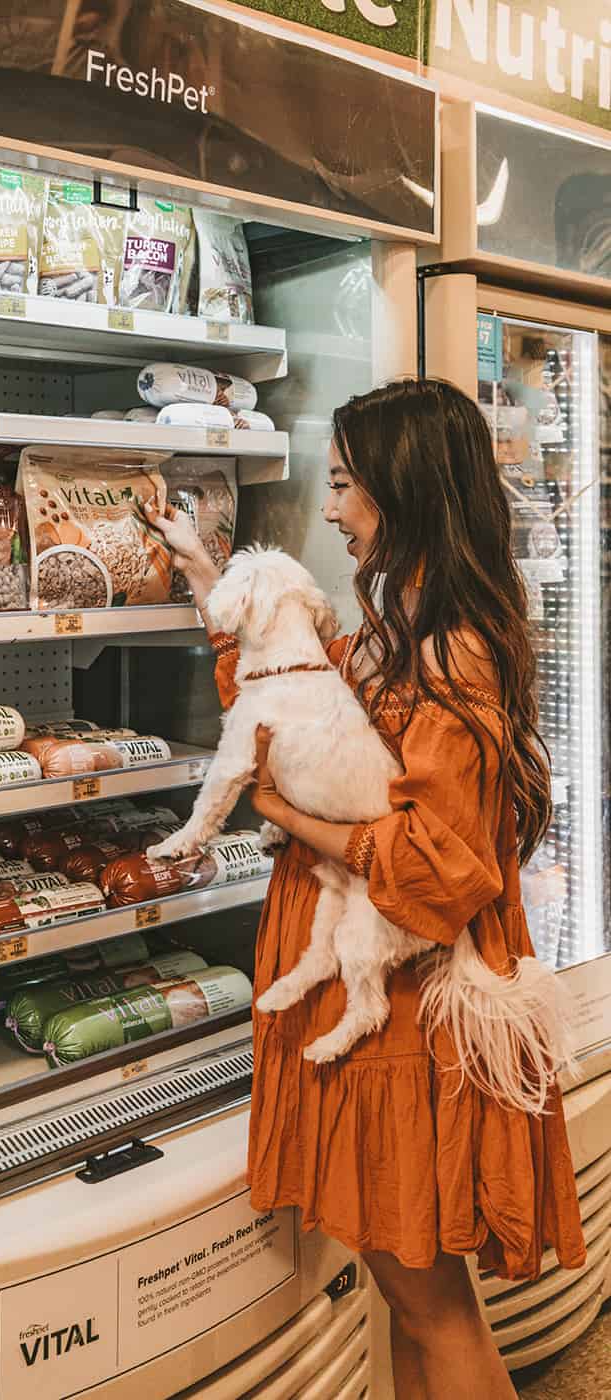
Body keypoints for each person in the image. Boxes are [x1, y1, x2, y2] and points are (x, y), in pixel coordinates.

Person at [146, 378, 585, 1400]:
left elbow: (437, 861)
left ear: (405, 490)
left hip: (408, 1012)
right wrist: (216, 577)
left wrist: (287, 818)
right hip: (379, 994)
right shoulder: (402, 628)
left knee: (432, 1303)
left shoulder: (449, 651)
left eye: (345, 484)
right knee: (410, 1297)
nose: (333, 508)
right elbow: (292, 702)